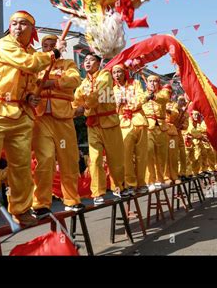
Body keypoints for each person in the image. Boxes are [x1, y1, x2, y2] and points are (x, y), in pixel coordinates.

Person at [0, 11, 60, 237]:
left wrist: (30, 96)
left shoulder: (30, 51)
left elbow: (28, 80)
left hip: (20, 114)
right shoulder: (5, 45)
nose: (17, 28)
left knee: (21, 167)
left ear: (32, 30)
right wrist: (52, 54)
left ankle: (22, 210)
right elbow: (28, 64)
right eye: (14, 23)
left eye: (23, 24)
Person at [31, 34, 85, 217]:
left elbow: (75, 80)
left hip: (63, 117)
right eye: (45, 45)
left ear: (60, 46)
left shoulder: (68, 64)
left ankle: (71, 200)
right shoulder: (37, 65)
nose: (48, 47)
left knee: (68, 159)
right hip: (40, 118)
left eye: (52, 44)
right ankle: (41, 203)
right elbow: (28, 85)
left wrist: (52, 83)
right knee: (44, 160)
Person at [73, 52, 126, 205]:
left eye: (91, 60)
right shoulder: (83, 83)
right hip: (93, 125)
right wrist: (71, 111)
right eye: (85, 60)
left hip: (109, 123)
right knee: (94, 160)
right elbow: (77, 99)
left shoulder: (105, 76)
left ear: (98, 63)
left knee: (115, 160)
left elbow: (96, 96)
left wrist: (83, 105)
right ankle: (98, 193)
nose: (87, 62)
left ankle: (120, 187)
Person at [112, 63, 149, 195]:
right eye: (114, 72)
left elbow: (141, 97)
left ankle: (142, 183)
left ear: (124, 72)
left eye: (119, 72)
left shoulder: (135, 83)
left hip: (139, 120)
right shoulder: (112, 90)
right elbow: (111, 109)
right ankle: (130, 184)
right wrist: (117, 103)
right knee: (126, 156)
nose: (117, 75)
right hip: (123, 123)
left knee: (142, 156)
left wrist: (127, 101)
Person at [142, 75, 171, 190]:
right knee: (149, 153)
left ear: (159, 83)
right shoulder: (142, 94)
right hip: (148, 126)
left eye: (155, 81)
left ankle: (161, 179)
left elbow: (164, 99)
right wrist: (147, 96)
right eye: (150, 81)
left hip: (162, 127)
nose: (153, 83)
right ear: (146, 83)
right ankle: (150, 181)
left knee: (162, 155)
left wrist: (153, 96)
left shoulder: (163, 93)